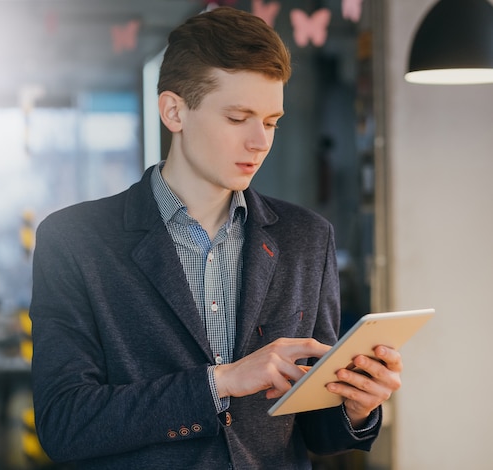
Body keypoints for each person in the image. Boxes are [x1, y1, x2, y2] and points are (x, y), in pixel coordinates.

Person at [29, 6, 402, 469]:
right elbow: (65, 425)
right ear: (173, 111)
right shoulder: (75, 241)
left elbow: (317, 434)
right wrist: (221, 382)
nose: (260, 142)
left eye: (270, 121)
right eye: (237, 117)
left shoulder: (307, 238)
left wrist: (356, 406)